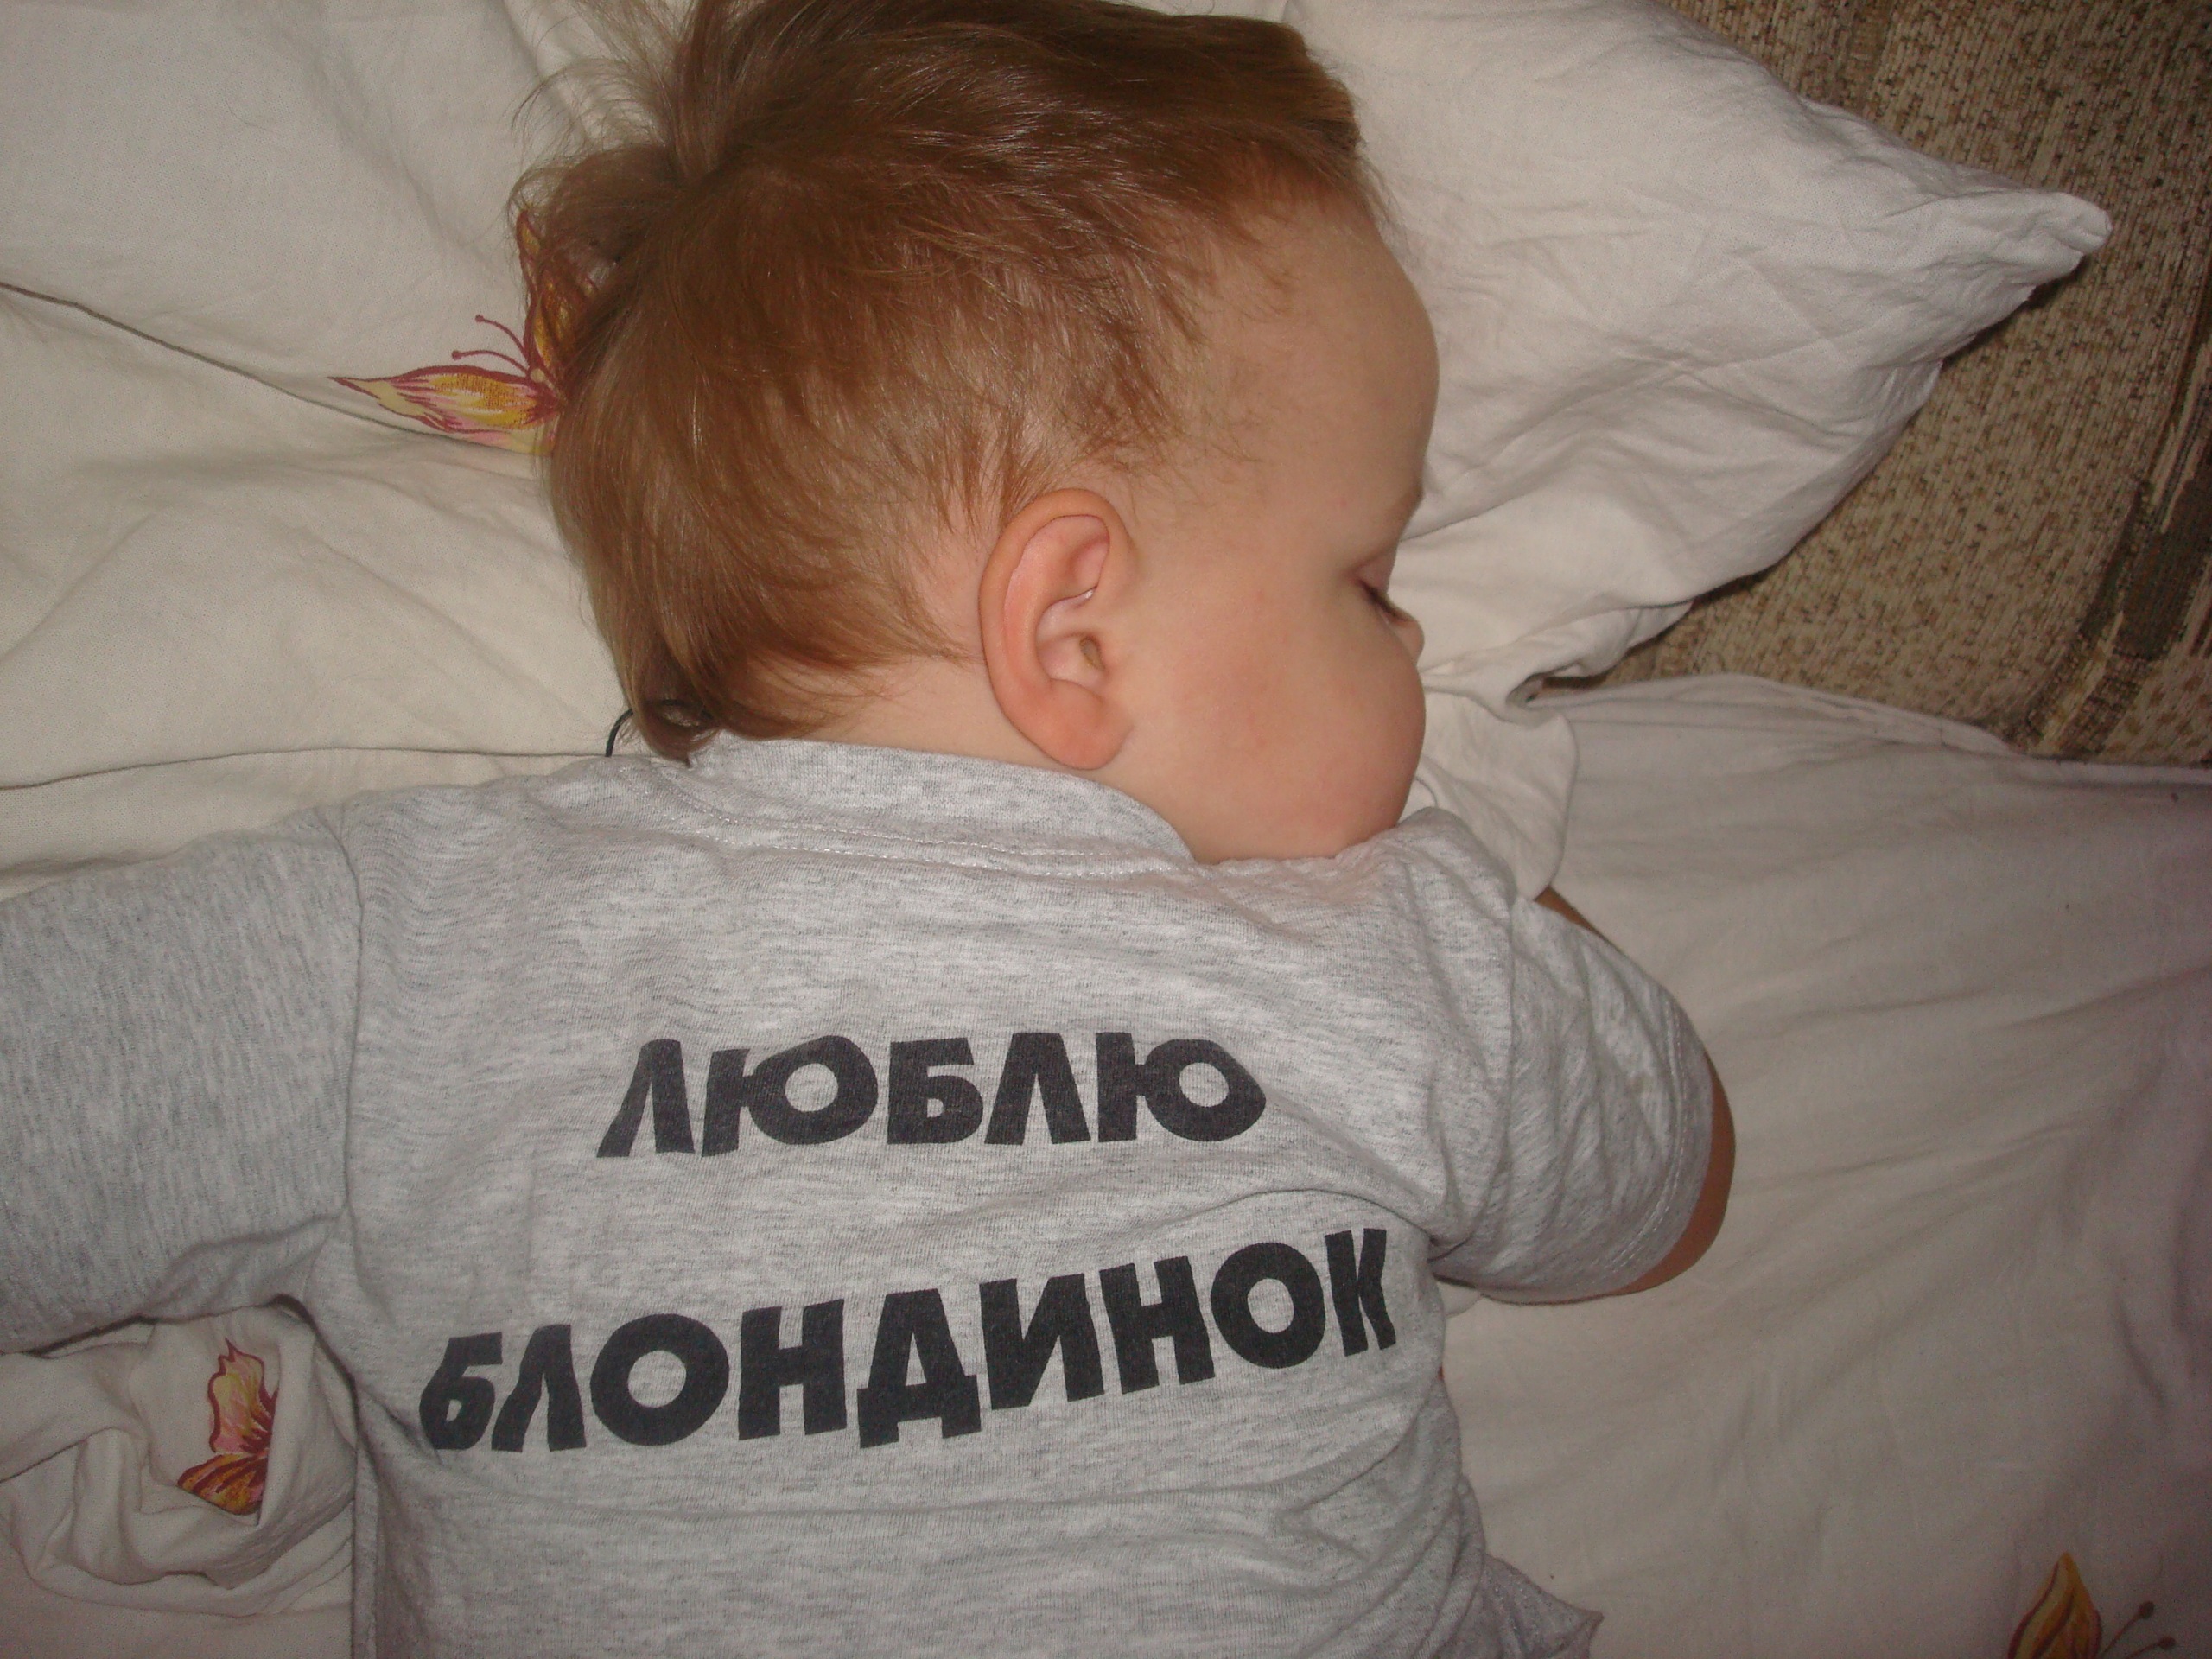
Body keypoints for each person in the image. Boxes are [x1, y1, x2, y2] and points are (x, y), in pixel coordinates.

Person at [0, 0, 1732, 1651]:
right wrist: (1485, 900)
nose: (1416, 650)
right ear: (1071, 631)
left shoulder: (407, 957)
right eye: (1364, 580)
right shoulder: (1376, 963)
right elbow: (1669, 1179)